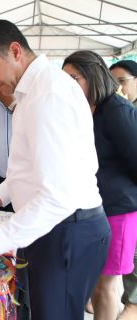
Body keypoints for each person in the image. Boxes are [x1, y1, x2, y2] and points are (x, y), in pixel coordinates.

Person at [0, 20, 110, 320]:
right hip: (52, 226)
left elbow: (56, 197)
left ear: (15, 51)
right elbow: (33, 169)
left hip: (66, 229)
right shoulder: (33, 92)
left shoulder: (47, 96)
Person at [63, 51, 137, 320]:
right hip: (94, 208)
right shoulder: (86, 108)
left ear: (93, 75)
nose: (68, 85)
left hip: (118, 209)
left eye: (74, 78)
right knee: (97, 283)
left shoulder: (116, 108)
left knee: (107, 286)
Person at [110, 60, 137, 320]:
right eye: (112, 82)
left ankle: (132, 304)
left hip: (127, 198)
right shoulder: (115, 109)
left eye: (122, 81)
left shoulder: (124, 111)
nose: (117, 88)